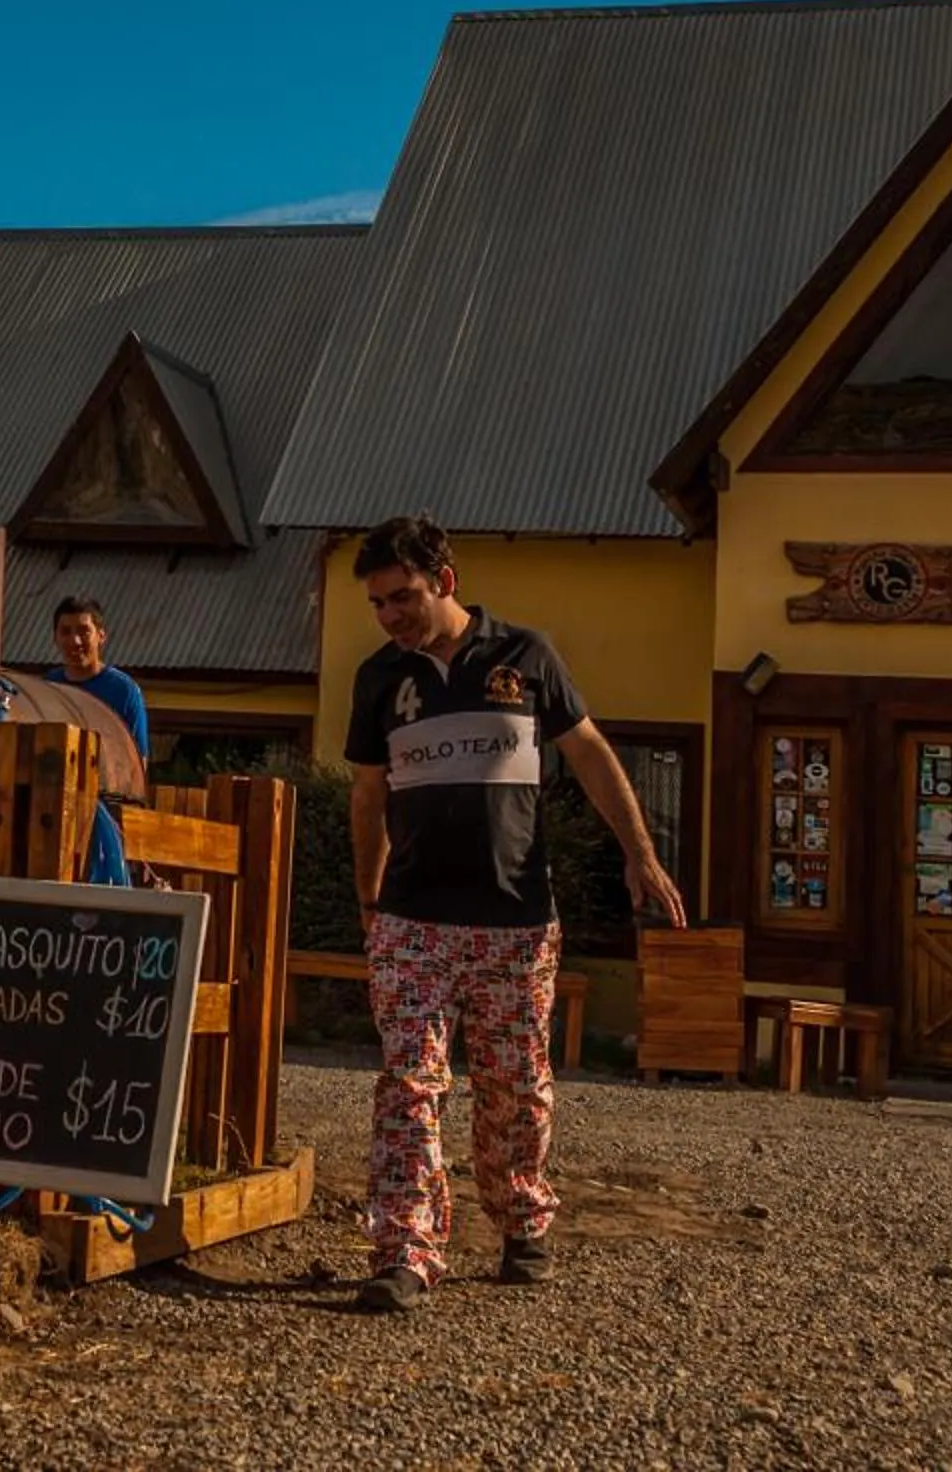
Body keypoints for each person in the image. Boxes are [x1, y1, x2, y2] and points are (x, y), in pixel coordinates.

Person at [341, 513, 687, 1314]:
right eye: (379, 604)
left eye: (404, 597)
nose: (392, 615)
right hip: (412, 921)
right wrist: (369, 901)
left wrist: (640, 851)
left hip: (515, 921)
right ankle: (406, 1246)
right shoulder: (377, 681)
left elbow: (593, 755)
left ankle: (522, 1220)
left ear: (446, 583)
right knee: (408, 1083)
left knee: (513, 1085)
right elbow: (366, 796)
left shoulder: (525, 658)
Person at [45, 596, 141, 888]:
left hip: (108, 810)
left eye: (83, 631)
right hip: (53, 810)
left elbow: (139, 763)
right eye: (65, 631)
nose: (74, 641)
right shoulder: (48, 688)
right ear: (55, 638)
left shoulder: (123, 691)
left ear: (101, 636)